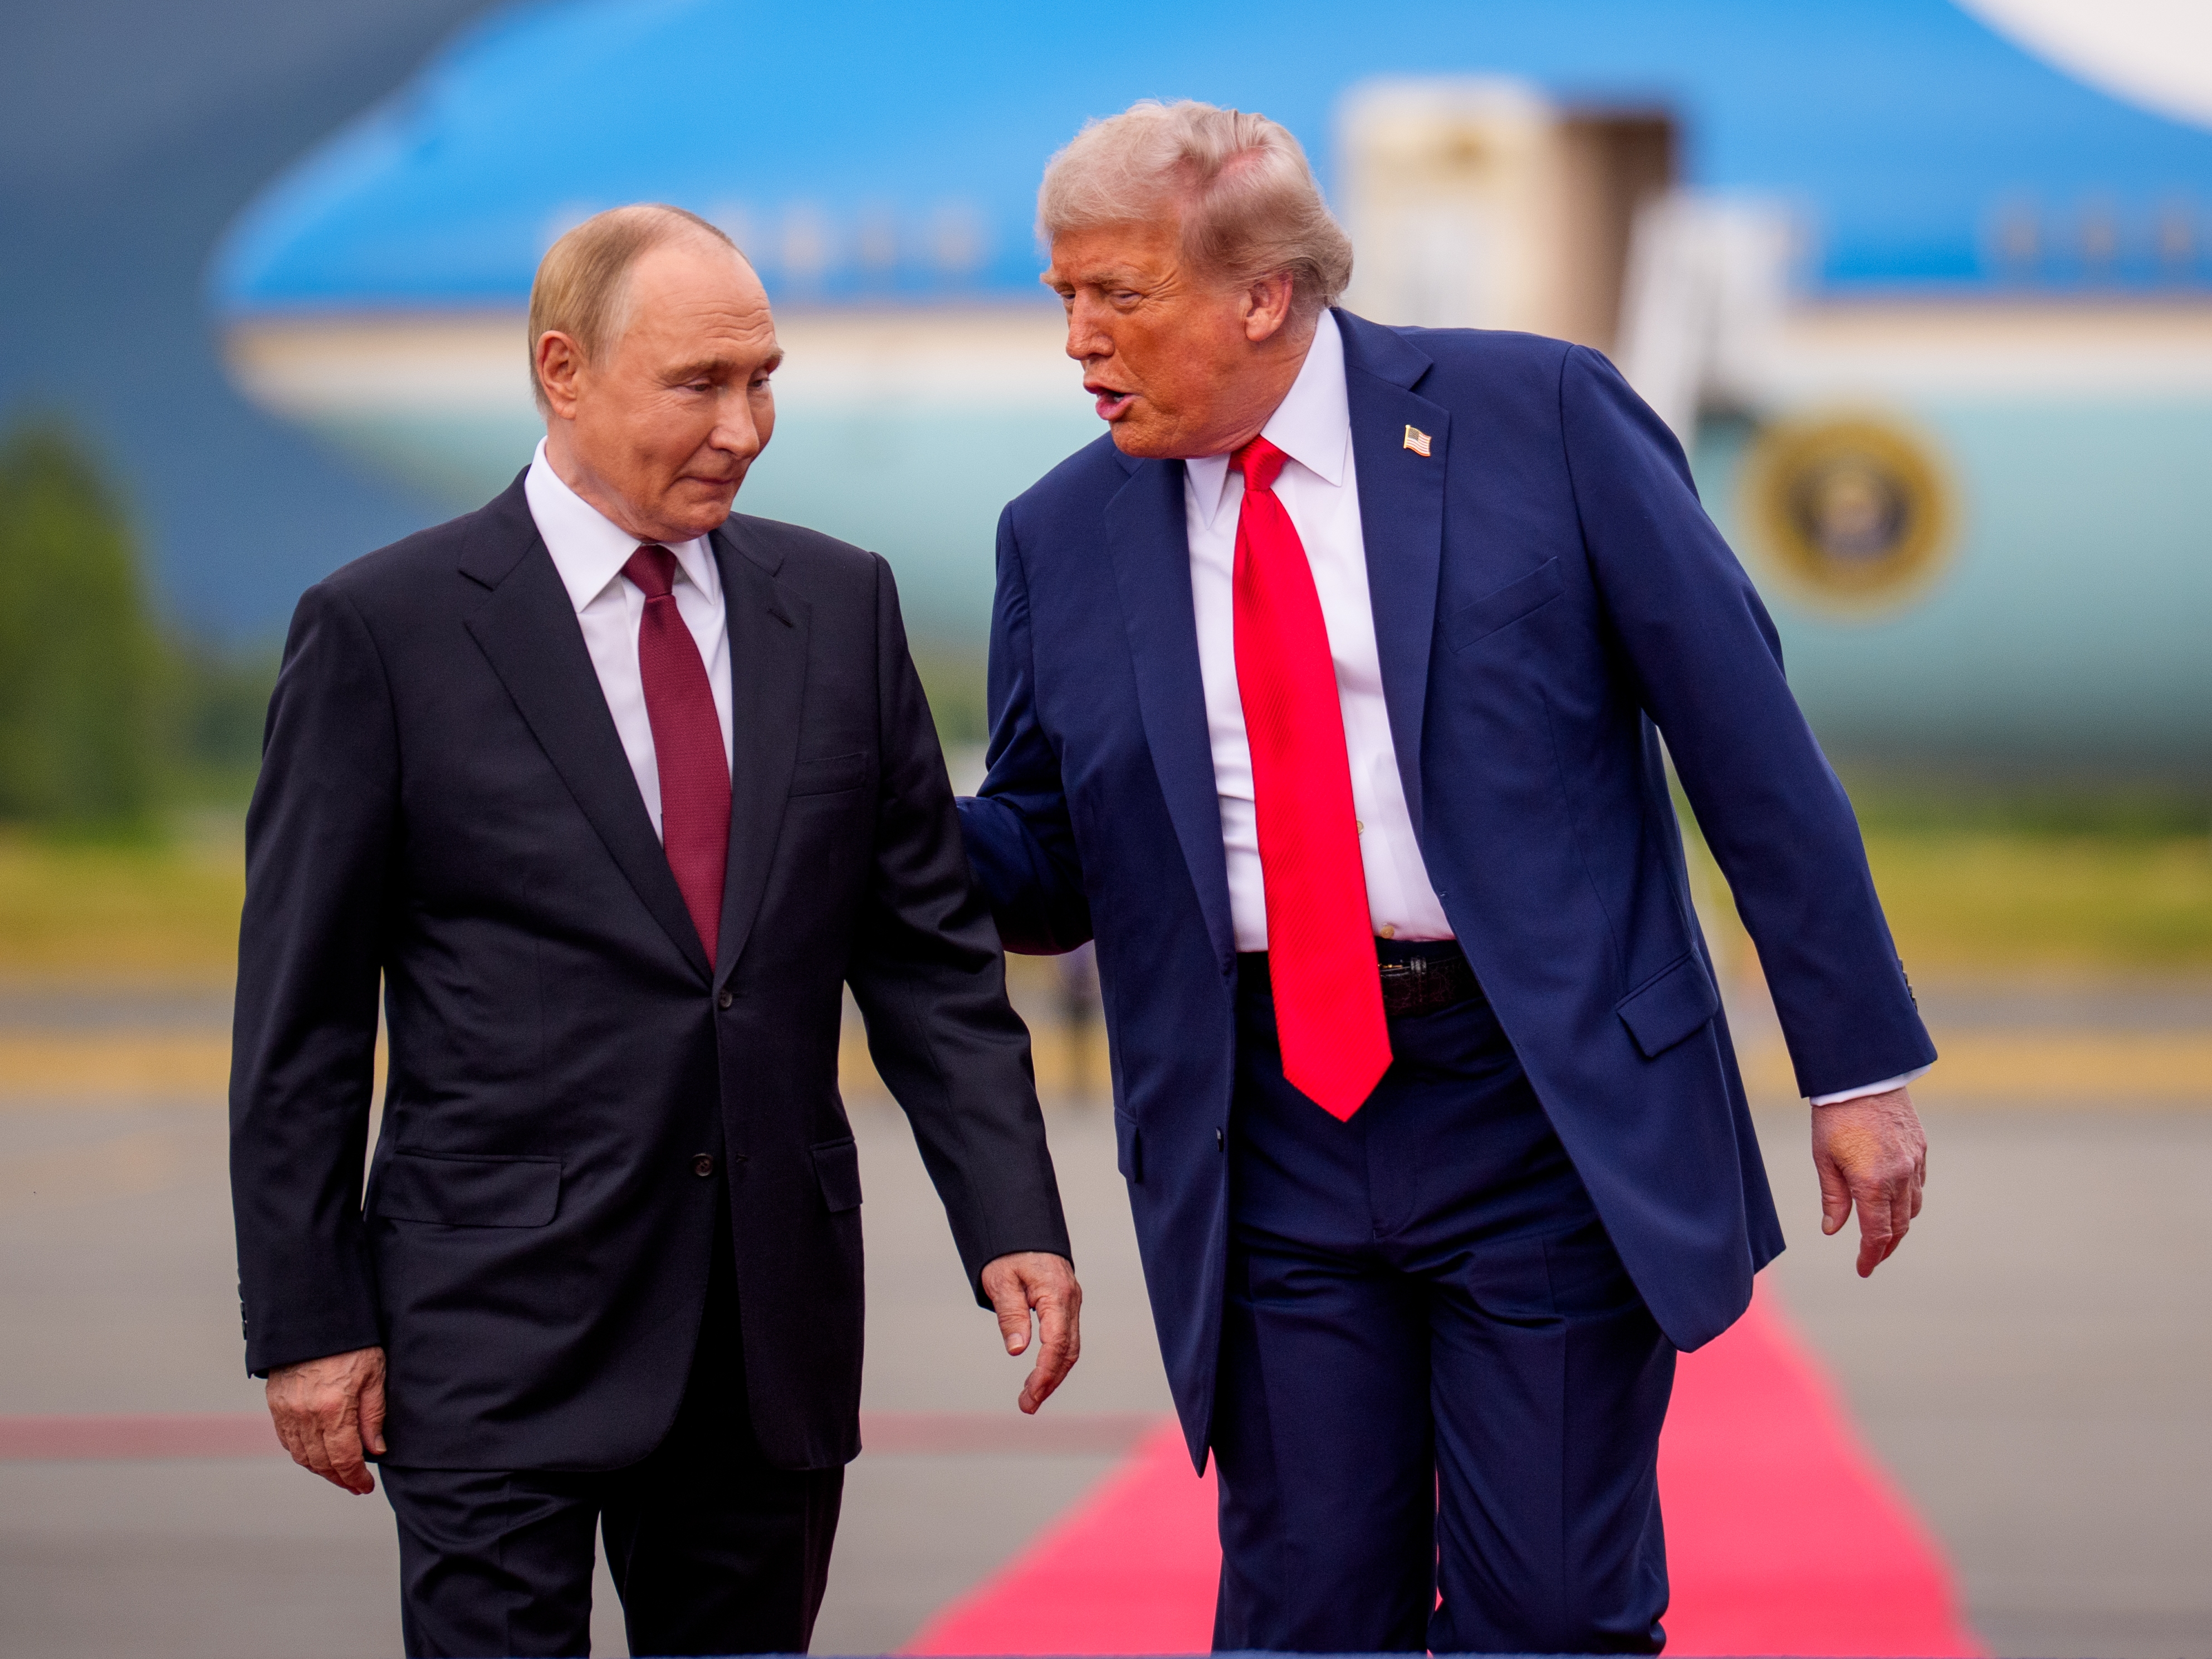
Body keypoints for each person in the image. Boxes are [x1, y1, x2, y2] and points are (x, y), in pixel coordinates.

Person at [958, 102, 1933, 1655]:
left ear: (1260, 290)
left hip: (1532, 1097)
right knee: (1307, 1611)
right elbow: (1045, 863)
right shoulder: (1060, 533)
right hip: (1261, 1123)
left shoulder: (1537, 416)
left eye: (1116, 295)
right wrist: (871, 805)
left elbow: (1745, 746)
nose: (1078, 339)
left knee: (1548, 1605)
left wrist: (1855, 1064)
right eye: (1063, 296)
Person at [230, 203, 1081, 1659]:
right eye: (701, 383)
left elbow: (931, 960)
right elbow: (300, 1019)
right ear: (562, 373)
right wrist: (307, 1316)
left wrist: (1012, 1218)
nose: (745, 426)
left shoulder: (840, 603)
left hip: (766, 1339)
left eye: (763, 378)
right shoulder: (385, 630)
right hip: (492, 1333)